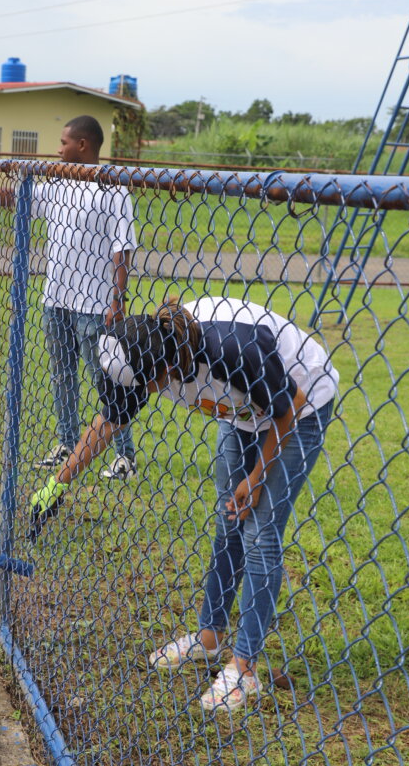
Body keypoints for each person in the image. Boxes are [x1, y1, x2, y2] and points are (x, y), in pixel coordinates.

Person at [29, 295, 338, 715]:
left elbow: (289, 407)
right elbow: (108, 423)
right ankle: (209, 639)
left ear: (166, 371)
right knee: (229, 520)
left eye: (144, 385)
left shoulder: (230, 348)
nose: (139, 394)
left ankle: (244, 669)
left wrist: (257, 477)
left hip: (300, 405)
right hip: (244, 411)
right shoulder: (138, 351)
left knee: (261, 532)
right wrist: (56, 485)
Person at [33, 115, 138, 481]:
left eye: (63, 142)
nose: (58, 149)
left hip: (94, 305)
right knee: (62, 375)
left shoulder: (112, 188)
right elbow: (14, 199)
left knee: (106, 380)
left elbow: (121, 249)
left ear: (82, 145)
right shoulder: (59, 183)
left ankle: (125, 456)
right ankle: (66, 441)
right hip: (56, 298)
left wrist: (117, 300)